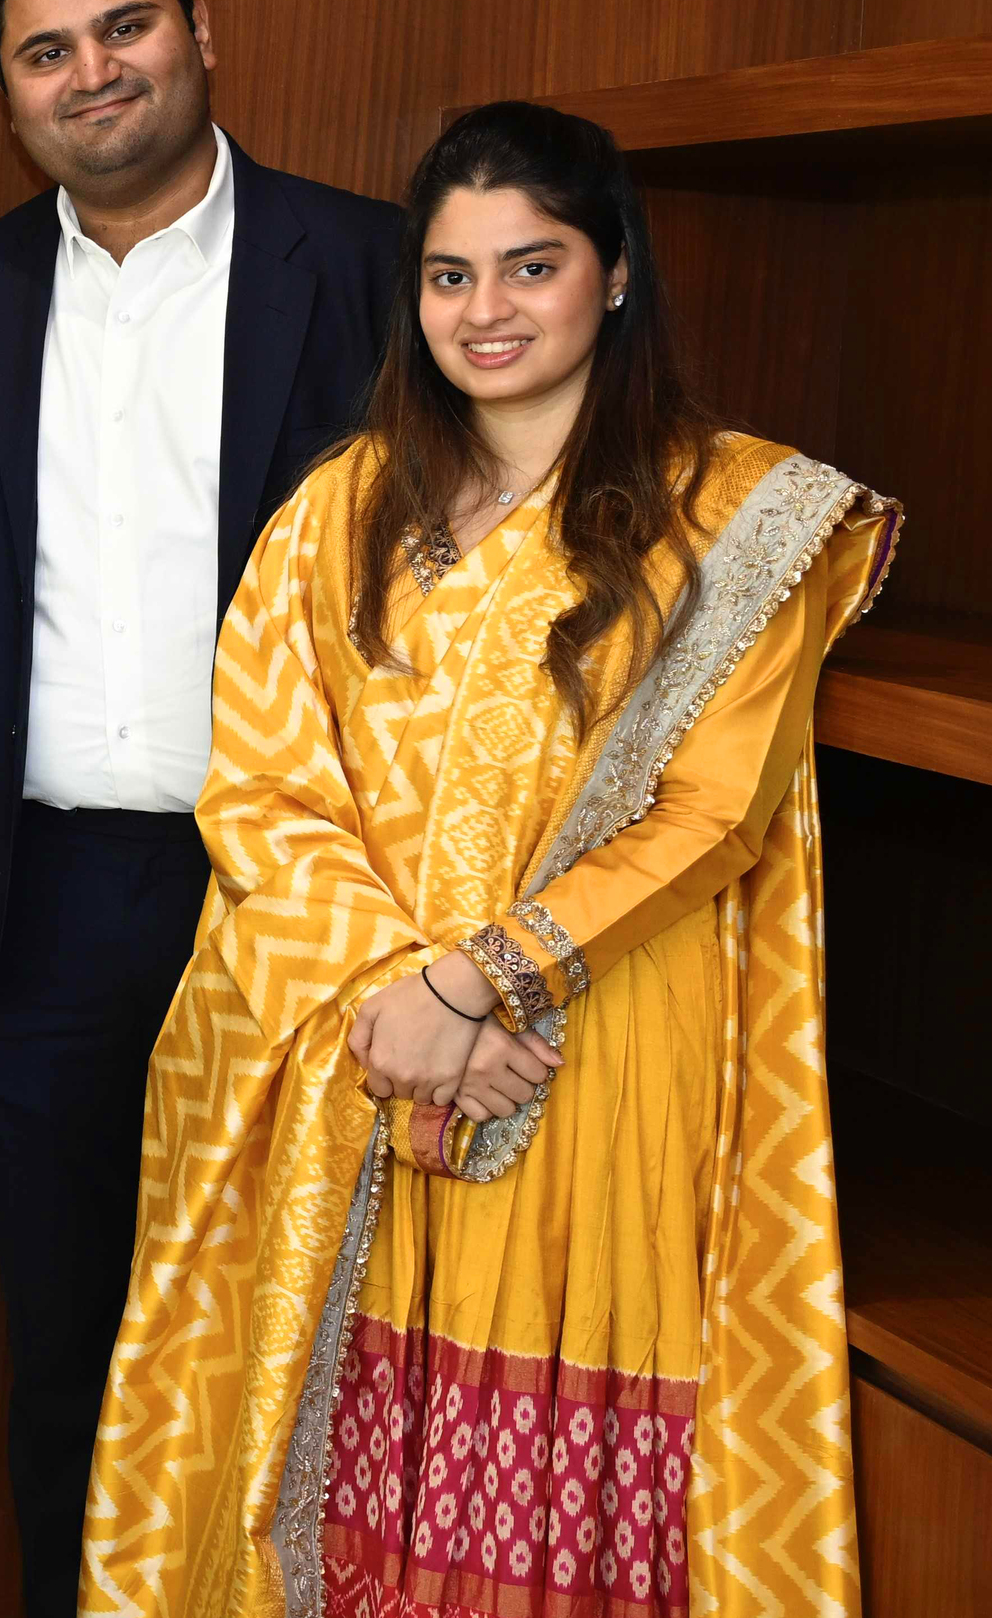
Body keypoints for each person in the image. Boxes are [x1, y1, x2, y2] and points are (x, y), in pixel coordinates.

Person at [85, 102, 893, 1615]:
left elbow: (713, 812)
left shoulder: (733, 515)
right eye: (450, 276)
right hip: (358, 1055)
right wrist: (398, 1000)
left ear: (616, 271)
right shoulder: (341, 507)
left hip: (586, 1051)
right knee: (351, 1478)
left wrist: (476, 989)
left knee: (530, 1489)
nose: (486, 311)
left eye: (532, 265)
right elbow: (261, 787)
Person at [0, 0, 404, 1614]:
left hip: (309, 901)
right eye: (46, 51)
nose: (93, 72)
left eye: (124, 27)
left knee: (314, 1335)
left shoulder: (375, 267)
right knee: (72, 1348)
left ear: (198, 31)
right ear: (8, 93)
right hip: (40, 909)